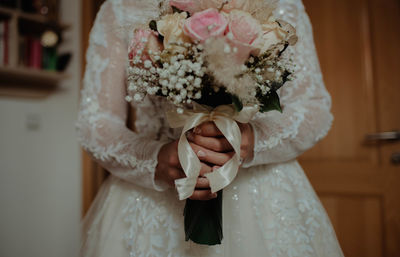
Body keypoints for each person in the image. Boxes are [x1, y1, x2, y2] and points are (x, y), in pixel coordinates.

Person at [76, 0, 345, 256]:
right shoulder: (120, 7)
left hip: (262, 194)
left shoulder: (283, 4)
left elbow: (313, 109)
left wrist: (251, 140)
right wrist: (156, 160)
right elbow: (95, 122)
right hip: (153, 199)